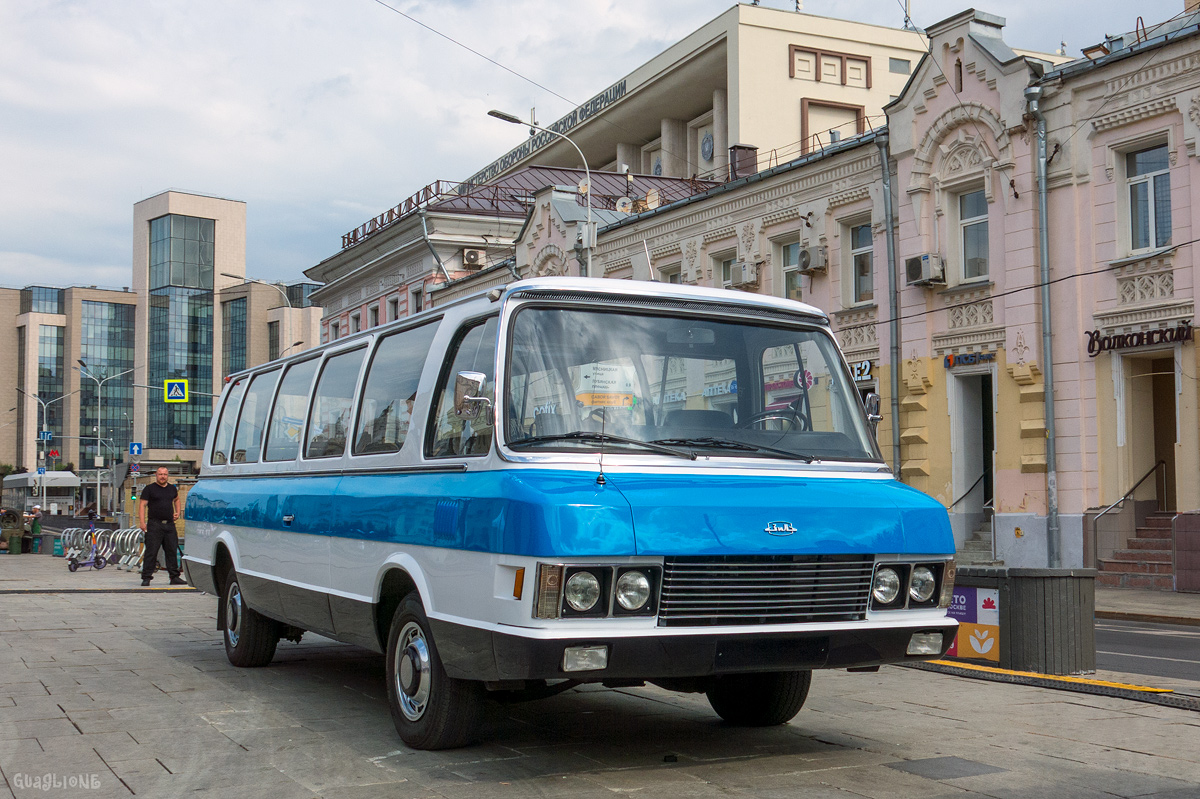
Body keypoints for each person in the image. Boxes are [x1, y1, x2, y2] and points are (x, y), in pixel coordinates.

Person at [138, 468, 186, 587]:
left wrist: (178, 512)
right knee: (151, 551)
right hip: (154, 524)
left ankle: (174, 577)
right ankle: (146, 577)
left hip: (169, 524)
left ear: (168, 475)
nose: (163, 476)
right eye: (160, 474)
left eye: (165, 474)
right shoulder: (149, 489)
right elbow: (142, 505)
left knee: (171, 551)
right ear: (156, 475)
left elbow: (177, 499)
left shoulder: (172, 488)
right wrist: (142, 522)